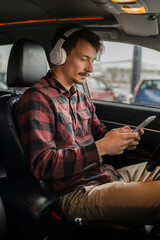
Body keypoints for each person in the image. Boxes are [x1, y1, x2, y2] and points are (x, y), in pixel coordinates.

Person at [15, 26, 160, 226]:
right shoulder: (38, 99)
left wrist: (122, 139)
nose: (90, 69)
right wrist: (101, 147)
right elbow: (43, 165)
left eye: (92, 60)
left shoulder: (81, 96)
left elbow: (100, 133)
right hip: (76, 193)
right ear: (59, 56)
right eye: (84, 59)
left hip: (106, 176)